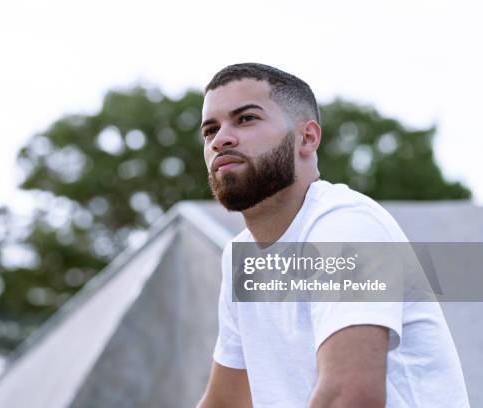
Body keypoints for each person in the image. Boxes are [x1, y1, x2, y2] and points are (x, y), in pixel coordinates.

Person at [195, 63, 470, 407]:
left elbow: (349, 397)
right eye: (210, 130)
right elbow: (227, 402)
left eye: (246, 119)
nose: (221, 139)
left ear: (307, 138)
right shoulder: (242, 259)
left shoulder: (345, 228)